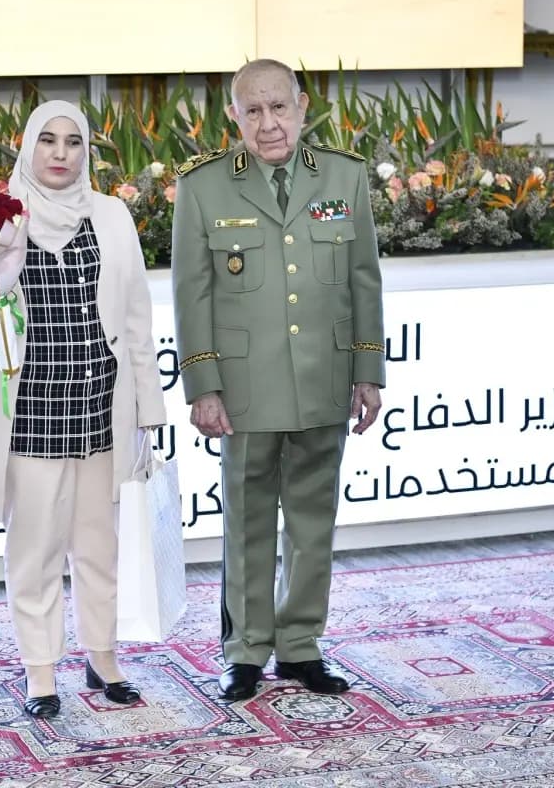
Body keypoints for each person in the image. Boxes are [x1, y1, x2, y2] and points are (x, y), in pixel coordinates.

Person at [0, 100, 167, 718]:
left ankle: (103, 658)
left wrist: (150, 411)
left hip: (100, 407)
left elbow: (138, 320)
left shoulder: (113, 216)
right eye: (48, 141)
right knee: (35, 548)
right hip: (31, 408)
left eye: (72, 142)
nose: (60, 154)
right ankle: (41, 670)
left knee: (98, 545)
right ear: (28, 148)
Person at [170, 59, 385, 701]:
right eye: (253, 111)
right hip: (245, 387)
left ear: (302, 107)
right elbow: (191, 294)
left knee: (315, 520)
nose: (269, 124)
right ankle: (245, 651)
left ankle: (300, 647)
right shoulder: (204, 188)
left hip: (325, 376)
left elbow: (364, 278)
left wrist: (368, 370)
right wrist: (202, 385)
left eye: (279, 108)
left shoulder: (344, 177)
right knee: (248, 520)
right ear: (234, 117)